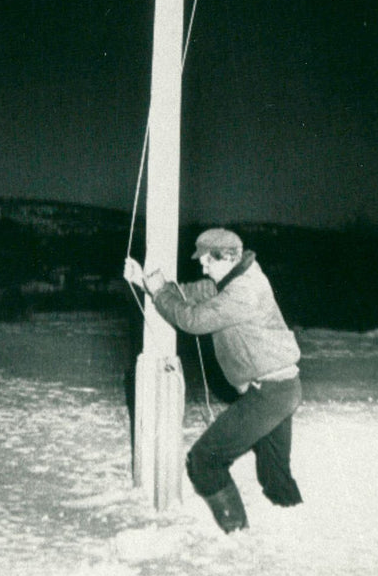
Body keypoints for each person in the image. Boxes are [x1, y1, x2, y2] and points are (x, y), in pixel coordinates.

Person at [124, 228, 303, 533]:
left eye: (207, 261)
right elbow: (193, 294)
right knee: (275, 474)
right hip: (284, 388)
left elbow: (193, 321)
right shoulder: (236, 277)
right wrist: (150, 283)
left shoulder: (243, 291)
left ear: (227, 257)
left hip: (270, 392)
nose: (203, 267)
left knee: (204, 462)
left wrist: (160, 293)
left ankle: (238, 536)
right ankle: (291, 522)